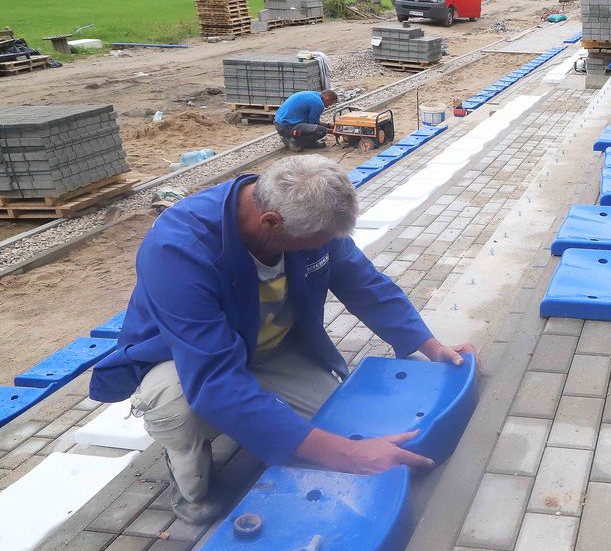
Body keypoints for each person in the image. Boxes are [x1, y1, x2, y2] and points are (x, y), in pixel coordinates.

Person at [90, 156, 476, 524]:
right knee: (180, 408)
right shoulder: (178, 248)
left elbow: (363, 282)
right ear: (271, 223)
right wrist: (350, 456)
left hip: (269, 348)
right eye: (310, 245)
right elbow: (214, 381)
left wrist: (429, 344)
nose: (317, 249)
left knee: (340, 425)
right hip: (183, 361)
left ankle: (258, 418)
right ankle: (188, 478)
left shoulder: (311, 214)